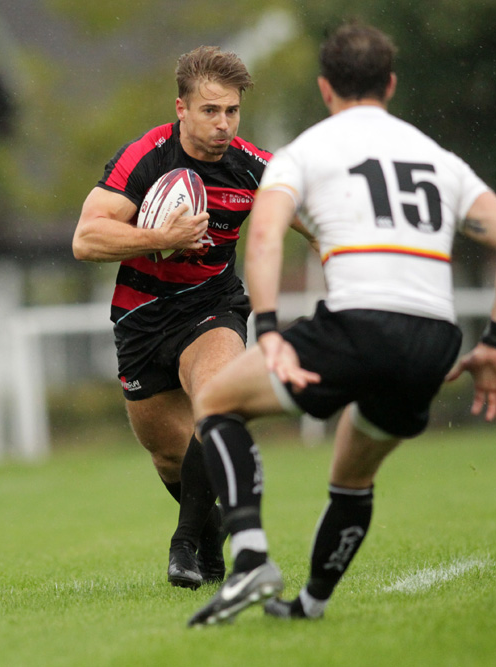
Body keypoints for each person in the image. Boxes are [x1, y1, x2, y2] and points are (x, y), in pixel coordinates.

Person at [186, 22, 496, 626]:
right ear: (391, 84)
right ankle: (310, 605)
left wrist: (268, 331)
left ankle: (250, 559)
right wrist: (495, 345)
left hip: (360, 325)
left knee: (216, 402)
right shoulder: (439, 159)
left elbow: (265, 236)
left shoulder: (305, 152)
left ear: (325, 88)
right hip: (435, 341)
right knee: (353, 473)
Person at [72, 46, 317, 589]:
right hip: (140, 317)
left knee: (215, 402)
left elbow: (318, 223)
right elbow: (85, 239)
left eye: (232, 111)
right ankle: (210, 533)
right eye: (210, 110)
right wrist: (161, 237)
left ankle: (182, 544)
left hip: (212, 307)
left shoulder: (253, 166)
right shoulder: (146, 157)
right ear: (181, 108)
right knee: (167, 456)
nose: (223, 124)